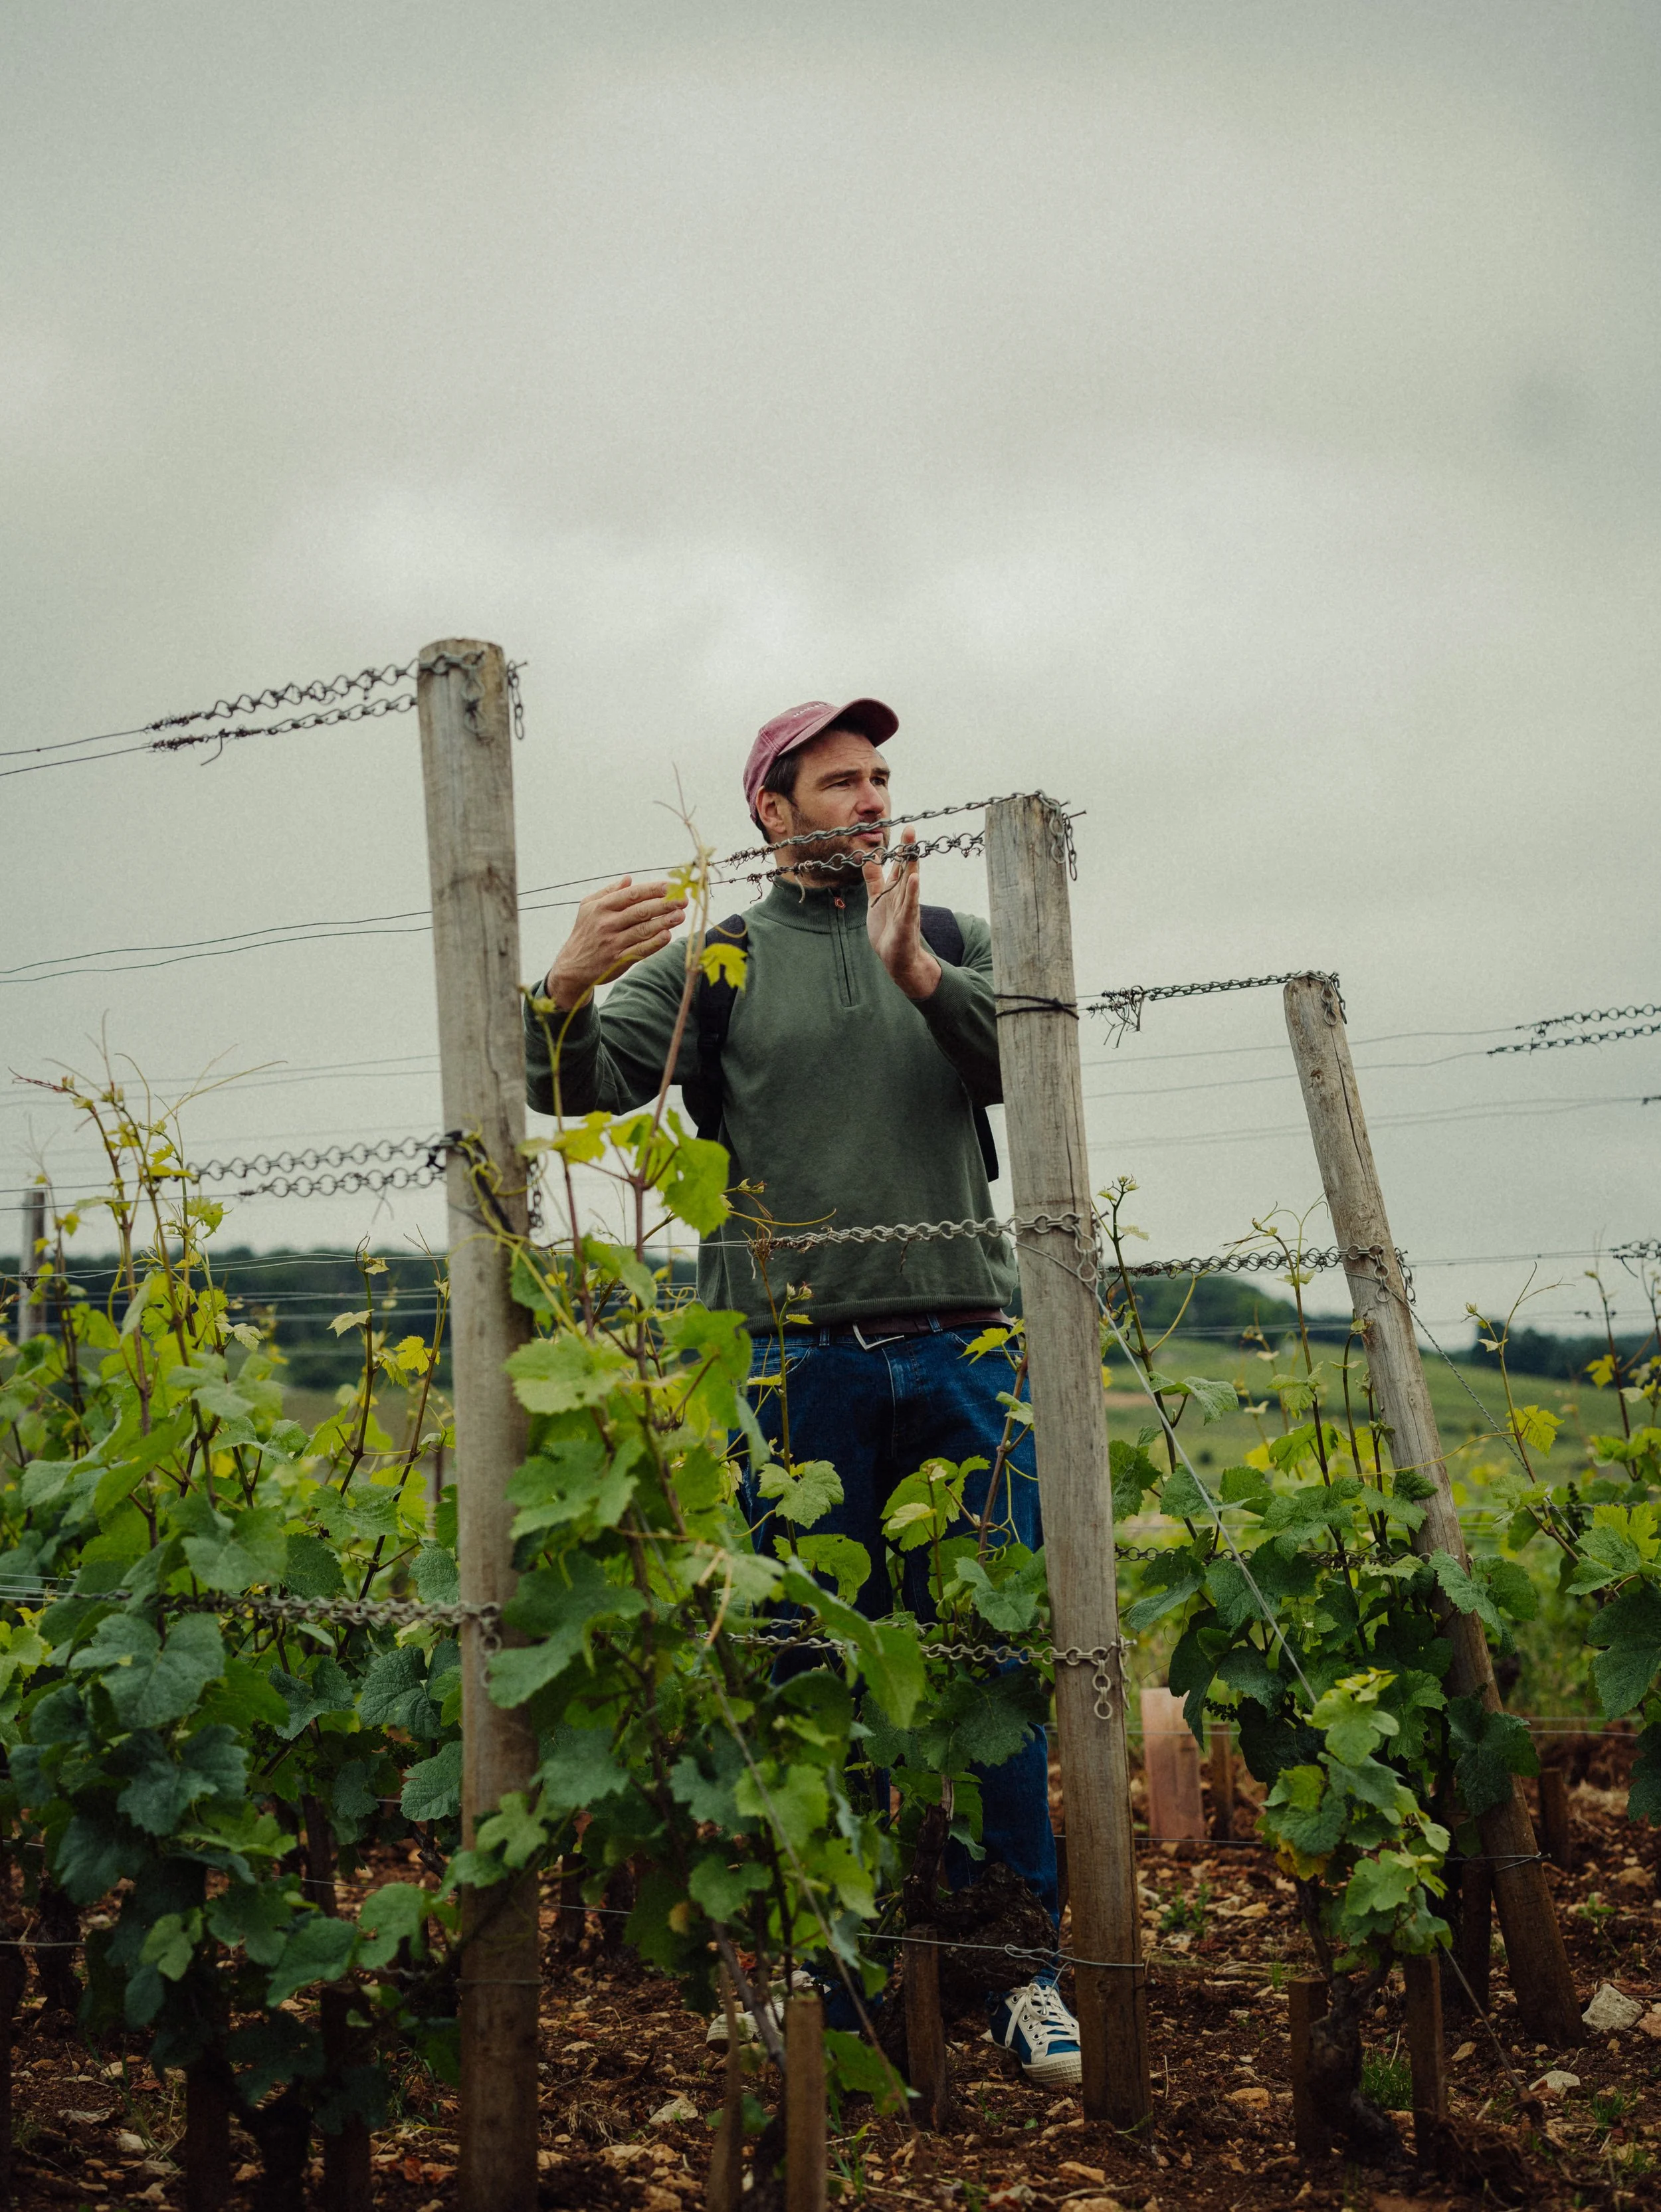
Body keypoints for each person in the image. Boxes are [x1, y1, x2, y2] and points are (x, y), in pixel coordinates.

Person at [523, 697, 1080, 2086]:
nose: (871, 799)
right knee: (805, 1668)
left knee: (988, 1668)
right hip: (788, 1362)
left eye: (881, 776)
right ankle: (826, 1971)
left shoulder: (956, 938)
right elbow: (572, 1086)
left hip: (963, 1344)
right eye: (839, 781)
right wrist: (564, 982)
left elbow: (1038, 1071)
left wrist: (921, 982)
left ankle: (1014, 1972)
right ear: (771, 813)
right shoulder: (717, 961)